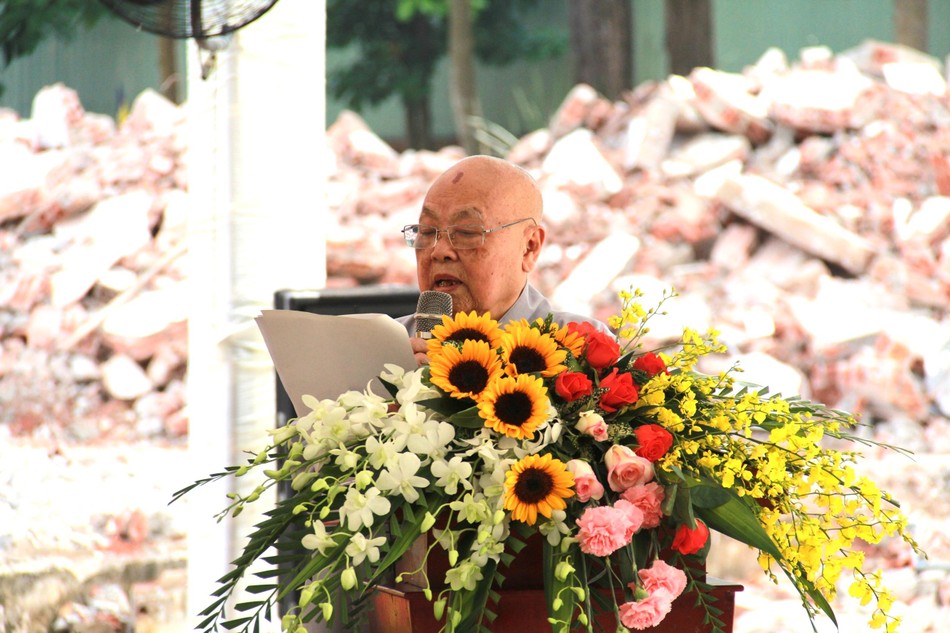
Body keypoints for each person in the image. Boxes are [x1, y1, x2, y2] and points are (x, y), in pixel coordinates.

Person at [396, 155, 609, 364]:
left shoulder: (583, 351)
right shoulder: (384, 349)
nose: (439, 251)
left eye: (466, 232)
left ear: (529, 248)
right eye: (427, 231)